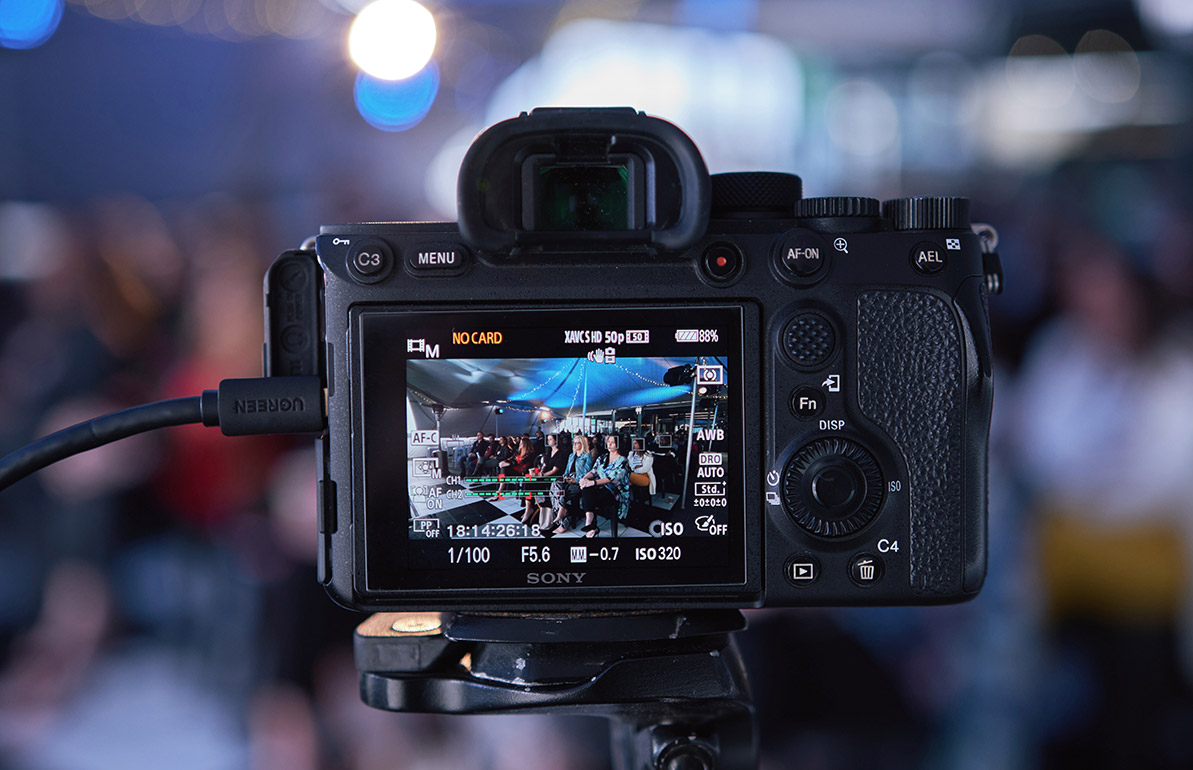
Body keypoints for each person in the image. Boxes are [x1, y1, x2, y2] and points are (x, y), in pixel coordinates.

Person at [577, 434, 630, 538]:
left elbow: (612, 478)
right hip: (601, 488)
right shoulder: (603, 457)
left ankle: (591, 525)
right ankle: (590, 521)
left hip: (615, 492)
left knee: (589, 493)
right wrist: (584, 479)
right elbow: (594, 471)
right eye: (608, 442)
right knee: (586, 488)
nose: (609, 444)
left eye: (612, 442)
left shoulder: (623, 460)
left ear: (618, 444)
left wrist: (593, 482)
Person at [549, 434, 594, 535]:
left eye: (578, 443)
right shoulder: (571, 455)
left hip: (579, 481)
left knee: (563, 493)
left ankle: (563, 520)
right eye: (574, 443)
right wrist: (565, 477)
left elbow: (587, 473)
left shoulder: (587, 456)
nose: (575, 445)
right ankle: (562, 511)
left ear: (582, 444)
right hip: (568, 479)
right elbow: (566, 470)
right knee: (555, 486)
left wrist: (575, 480)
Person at [523, 433, 567, 531]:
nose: (548, 441)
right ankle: (528, 508)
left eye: (550, 439)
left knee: (531, 483)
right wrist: (539, 472)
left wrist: (541, 475)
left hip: (553, 478)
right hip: (544, 476)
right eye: (548, 439)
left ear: (556, 441)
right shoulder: (548, 452)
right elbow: (544, 466)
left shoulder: (561, 454)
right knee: (528, 481)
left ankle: (531, 507)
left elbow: (554, 470)